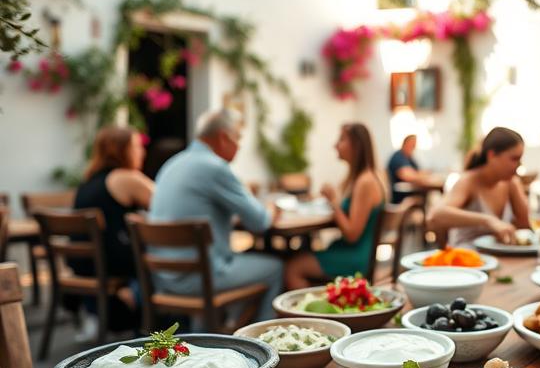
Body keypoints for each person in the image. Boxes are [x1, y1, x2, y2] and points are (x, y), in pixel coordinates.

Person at [149, 108, 282, 323]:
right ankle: (263, 344)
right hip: (200, 278)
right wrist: (273, 211)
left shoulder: (172, 164)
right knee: (276, 267)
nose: (239, 146)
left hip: (163, 277)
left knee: (239, 259)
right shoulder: (215, 167)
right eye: (238, 138)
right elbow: (259, 222)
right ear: (223, 137)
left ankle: (228, 328)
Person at [71, 126, 154, 336]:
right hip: (113, 263)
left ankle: (128, 296)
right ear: (121, 150)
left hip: (86, 265)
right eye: (136, 146)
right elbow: (169, 203)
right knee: (165, 257)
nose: (142, 152)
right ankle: (138, 301)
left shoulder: (88, 181)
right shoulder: (125, 177)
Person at [285, 123, 386, 288]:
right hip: (352, 251)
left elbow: (352, 234)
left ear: (357, 146)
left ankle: (309, 313)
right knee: (295, 256)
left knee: (292, 267)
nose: (335, 145)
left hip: (355, 257)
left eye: (342, 140)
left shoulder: (365, 182)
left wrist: (333, 202)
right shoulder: (362, 178)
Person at [427, 127, 531, 246]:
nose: (519, 165)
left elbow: (525, 225)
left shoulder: (511, 182)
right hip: (466, 258)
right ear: (492, 155)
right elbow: (435, 216)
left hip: (500, 258)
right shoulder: (468, 181)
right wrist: (488, 221)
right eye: (514, 159)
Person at [387, 134, 435, 204]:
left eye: (414, 145)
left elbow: (417, 172)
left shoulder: (410, 158)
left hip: (410, 190)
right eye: (412, 144)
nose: (414, 147)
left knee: (427, 195)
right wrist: (422, 177)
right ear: (405, 144)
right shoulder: (398, 156)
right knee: (424, 195)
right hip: (400, 193)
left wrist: (424, 174)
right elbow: (407, 176)